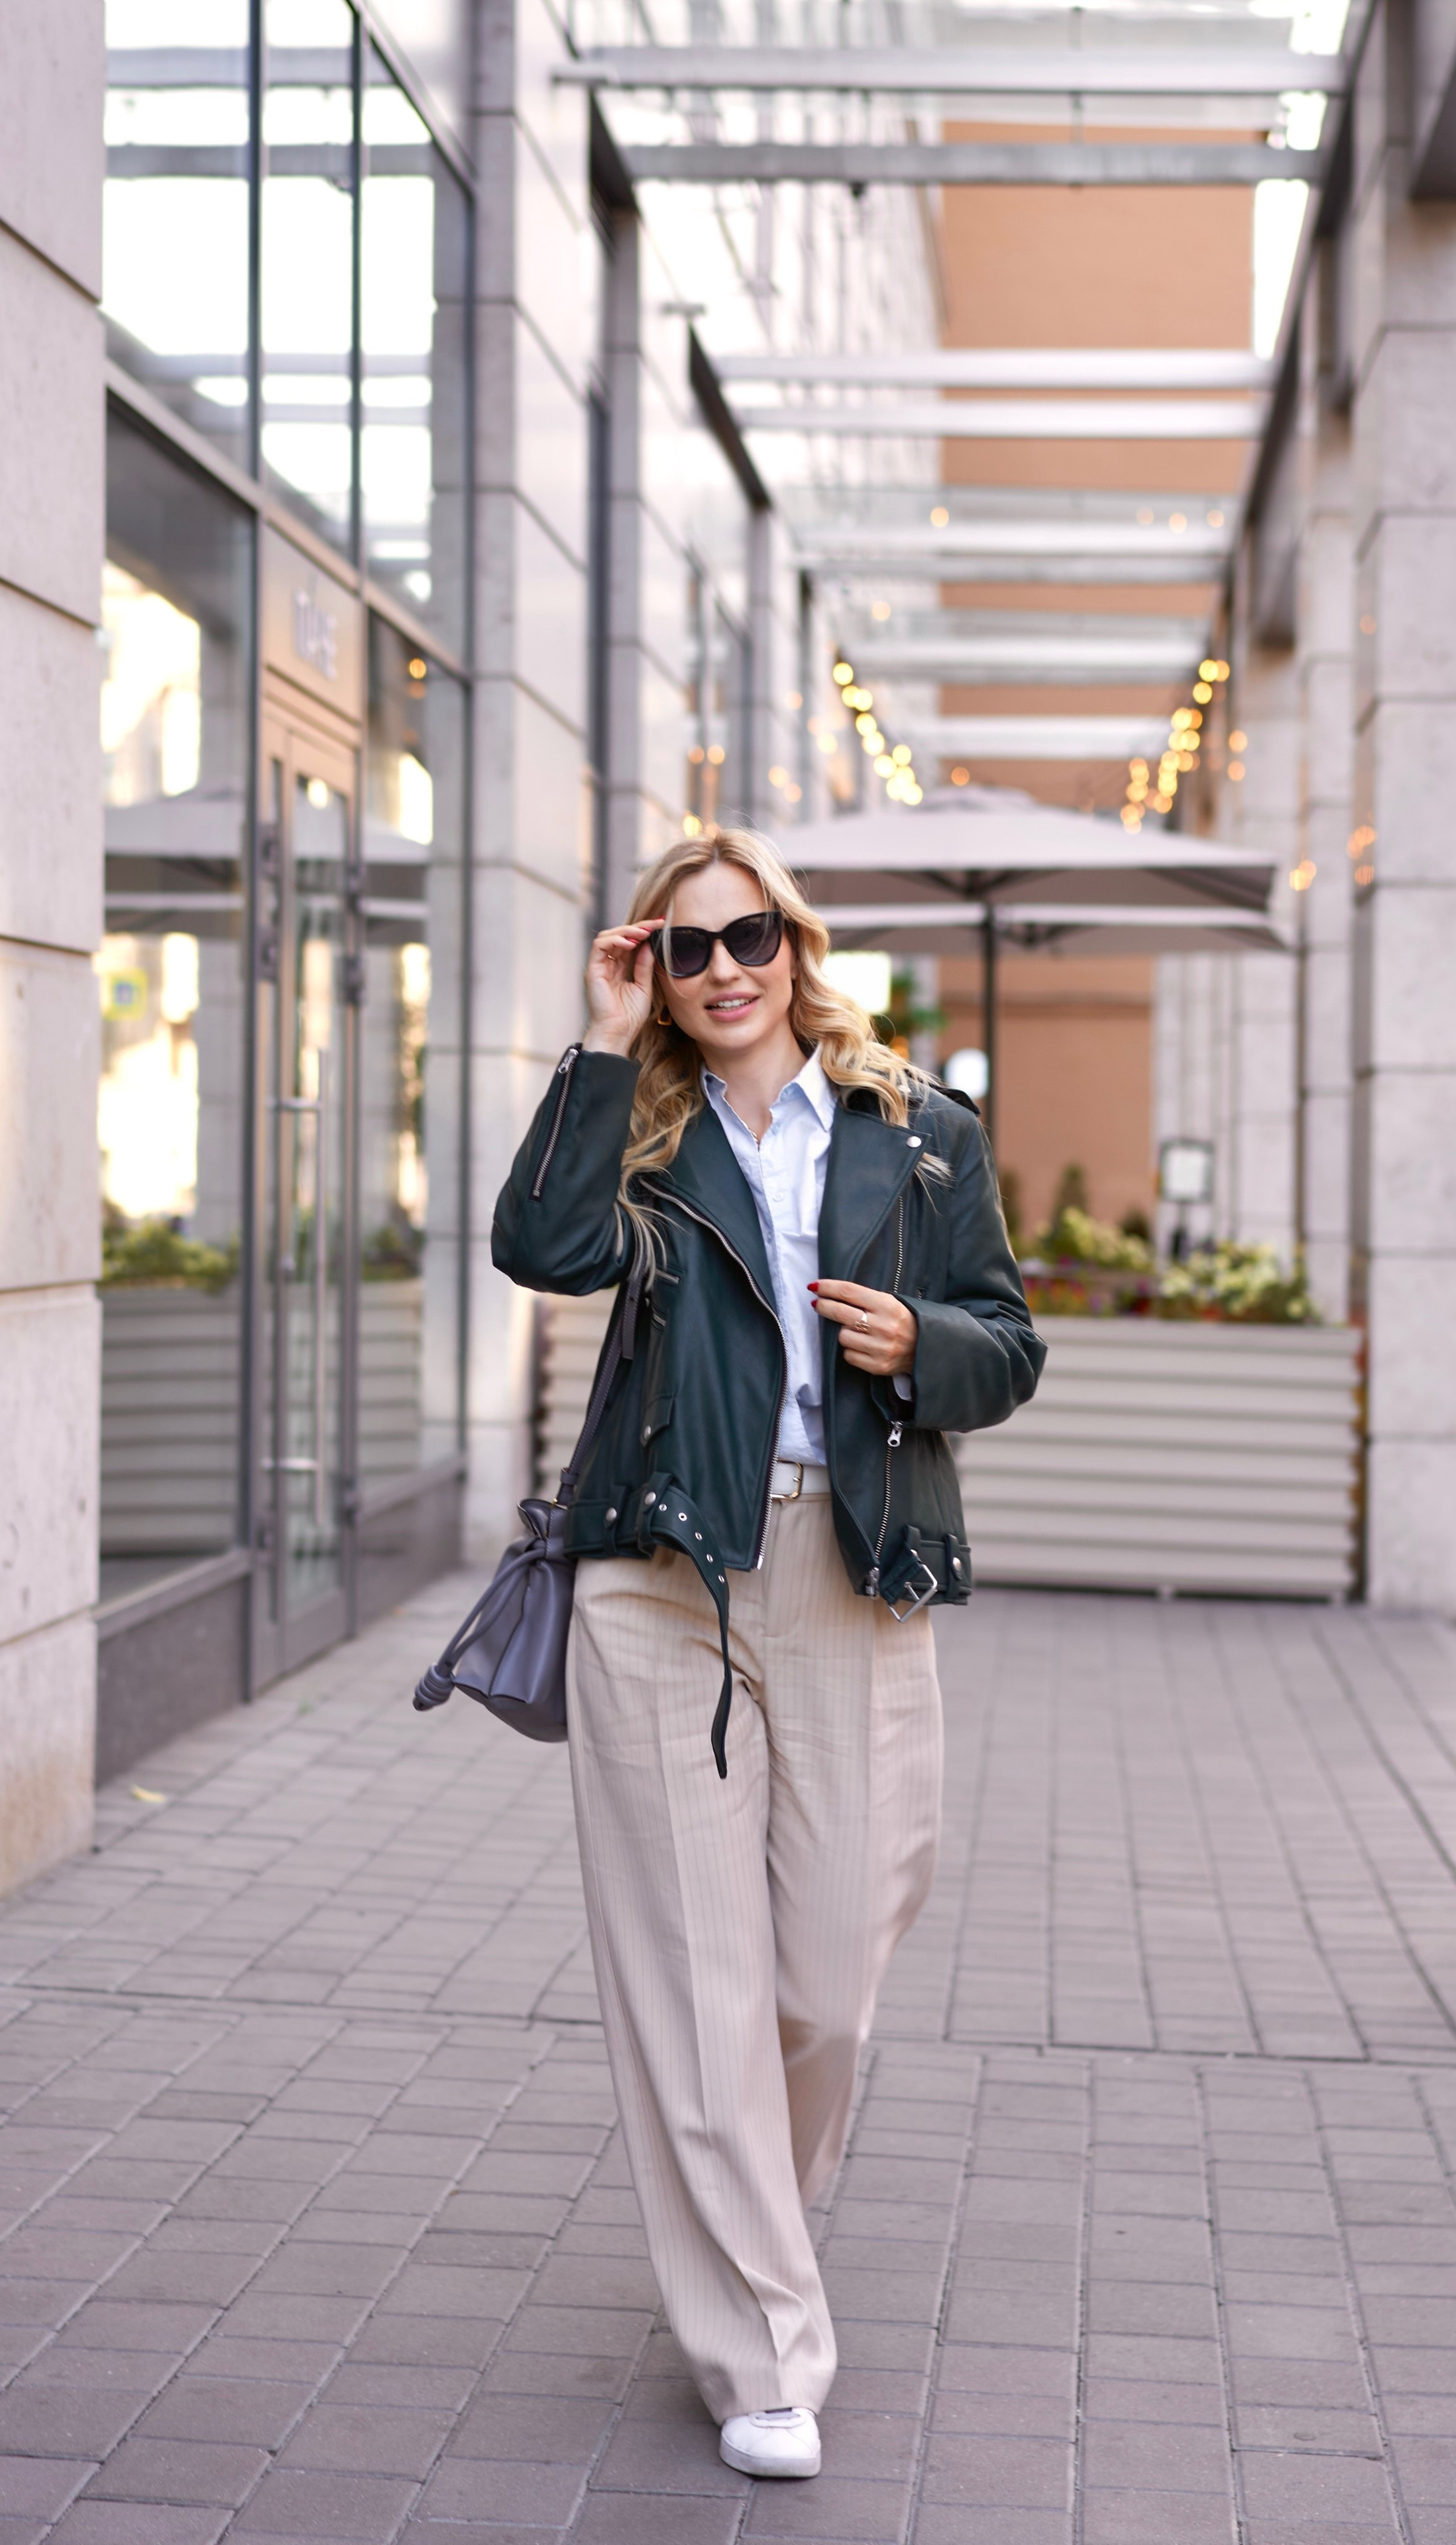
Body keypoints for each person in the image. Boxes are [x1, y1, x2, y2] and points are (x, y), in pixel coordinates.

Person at [491, 826, 1044, 2482]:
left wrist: (917, 1340)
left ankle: (746, 2227)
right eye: (684, 948)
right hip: (658, 1578)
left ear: (795, 948)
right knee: (697, 1983)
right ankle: (761, 2346)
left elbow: (1009, 1343)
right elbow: (539, 1245)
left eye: (747, 937)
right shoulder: (639, 1135)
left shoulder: (920, 1135)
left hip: (850, 1569)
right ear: (651, 970)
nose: (722, 968)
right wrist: (595, 1047)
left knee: (821, 1986)